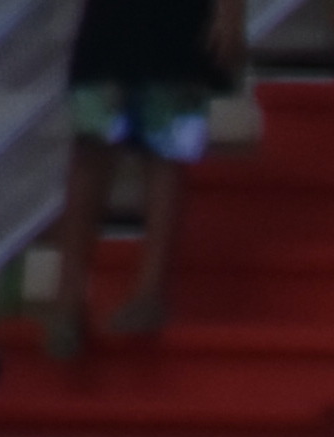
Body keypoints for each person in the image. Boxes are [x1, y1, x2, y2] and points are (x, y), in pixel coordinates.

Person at [44, 0, 245, 356]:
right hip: (112, 16)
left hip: (178, 18)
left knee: (165, 144)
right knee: (93, 136)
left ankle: (149, 293)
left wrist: (229, 10)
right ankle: (69, 298)